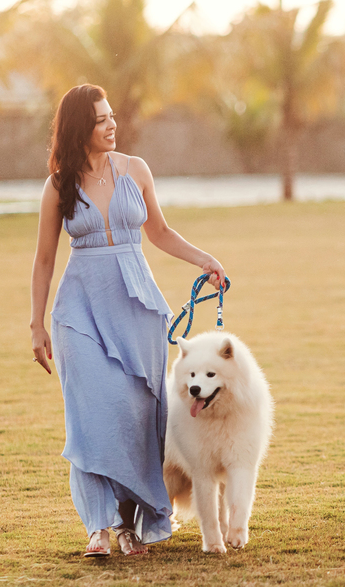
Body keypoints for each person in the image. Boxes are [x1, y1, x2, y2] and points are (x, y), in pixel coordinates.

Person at [30, 84, 225, 557]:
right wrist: (36, 325)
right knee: (90, 412)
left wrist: (205, 260)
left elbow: (158, 230)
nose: (112, 125)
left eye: (112, 115)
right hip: (79, 309)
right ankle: (97, 525)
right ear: (80, 127)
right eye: (101, 119)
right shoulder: (59, 186)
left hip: (136, 306)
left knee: (137, 415)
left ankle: (126, 523)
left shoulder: (135, 170)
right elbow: (44, 259)